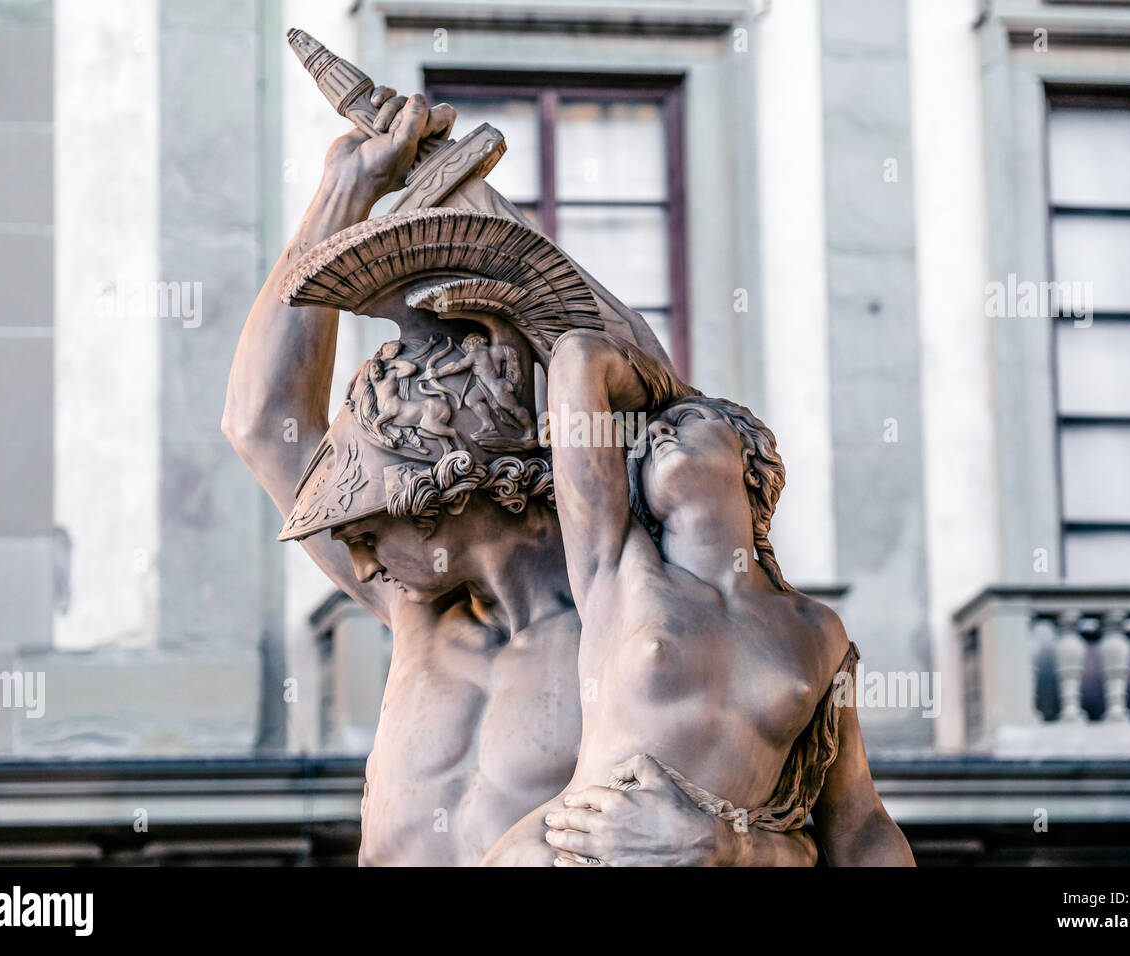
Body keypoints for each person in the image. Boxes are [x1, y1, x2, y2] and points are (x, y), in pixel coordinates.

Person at [224, 88, 830, 864]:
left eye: (374, 526)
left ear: (467, 488)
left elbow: (839, 840)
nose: (360, 558)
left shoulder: (658, 630)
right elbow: (257, 422)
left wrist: (739, 848)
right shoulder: (419, 612)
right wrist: (347, 186)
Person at [482, 330, 915, 866]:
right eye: (653, 432)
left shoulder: (817, 631)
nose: (662, 427)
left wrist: (735, 845)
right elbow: (579, 358)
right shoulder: (620, 568)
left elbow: (859, 819)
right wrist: (671, 395)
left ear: (751, 463)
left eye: (688, 420)